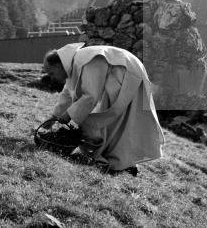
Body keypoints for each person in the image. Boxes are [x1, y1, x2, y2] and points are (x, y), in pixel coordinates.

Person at [42, 43, 164, 175]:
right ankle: (120, 162)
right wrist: (54, 117)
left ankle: (118, 163)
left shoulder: (87, 60)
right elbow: (67, 94)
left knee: (112, 122)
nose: (52, 78)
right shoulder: (73, 64)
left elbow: (91, 96)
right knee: (111, 123)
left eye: (52, 73)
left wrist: (67, 116)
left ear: (59, 66)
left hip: (126, 74)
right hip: (122, 74)